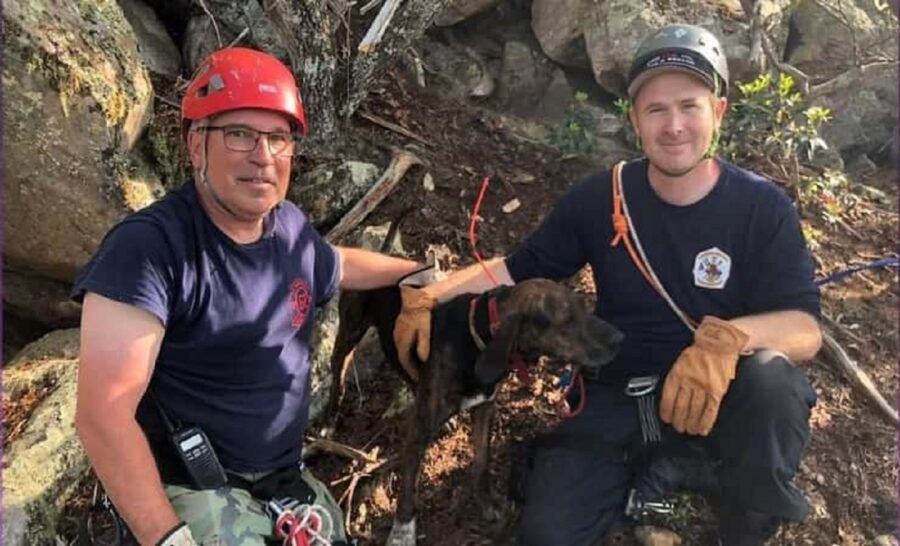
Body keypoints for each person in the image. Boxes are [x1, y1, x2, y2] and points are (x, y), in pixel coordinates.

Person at [393, 24, 822, 546]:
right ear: (635, 121)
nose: (674, 126)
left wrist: (727, 340)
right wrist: (428, 296)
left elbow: (803, 329)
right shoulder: (604, 197)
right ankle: (661, 467)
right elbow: (516, 269)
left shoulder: (762, 207)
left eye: (690, 105)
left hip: (714, 395)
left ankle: (744, 517)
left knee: (773, 382)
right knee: (546, 535)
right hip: (619, 391)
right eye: (656, 110)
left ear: (719, 112)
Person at [73, 47, 425, 546]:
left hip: (283, 487)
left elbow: (338, 264)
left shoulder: (288, 229)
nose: (263, 156)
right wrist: (167, 538)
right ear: (197, 146)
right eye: (239, 134)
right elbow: (102, 413)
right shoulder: (150, 250)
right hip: (190, 491)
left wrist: (421, 276)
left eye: (278, 138)